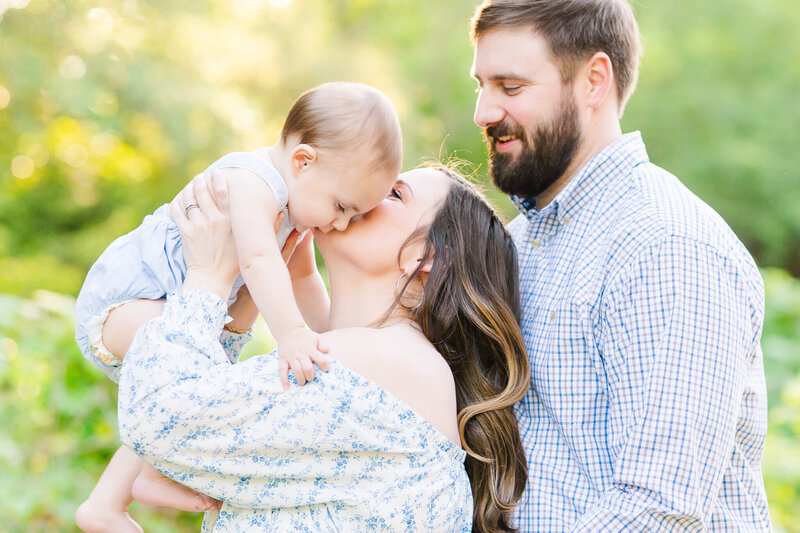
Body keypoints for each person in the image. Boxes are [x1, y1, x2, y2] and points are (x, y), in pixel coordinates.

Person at [92, 166, 529, 532]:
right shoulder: (373, 361)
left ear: (427, 258)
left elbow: (160, 417)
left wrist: (208, 276)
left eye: (394, 193)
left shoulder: (393, 362)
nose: (368, 186)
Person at [469, 0, 770, 530]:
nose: (484, 113)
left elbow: (659, 507)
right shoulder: (517, 242)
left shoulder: (665, 245)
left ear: (594, 81)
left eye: (510, 87)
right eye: (481, 85)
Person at [74, 81, 402, 531]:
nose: (340, 223)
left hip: (178, 312)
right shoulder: (253, 181)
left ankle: (112, 500)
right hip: (130, 301)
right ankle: (144, 478)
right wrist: (290, 335)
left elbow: (303, 278)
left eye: (354, 215)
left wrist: (332, 340)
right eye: (342, 206)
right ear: (303, 162)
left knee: (194, 385)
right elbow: (257, 259)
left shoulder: (296, 215)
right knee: (182, 365)